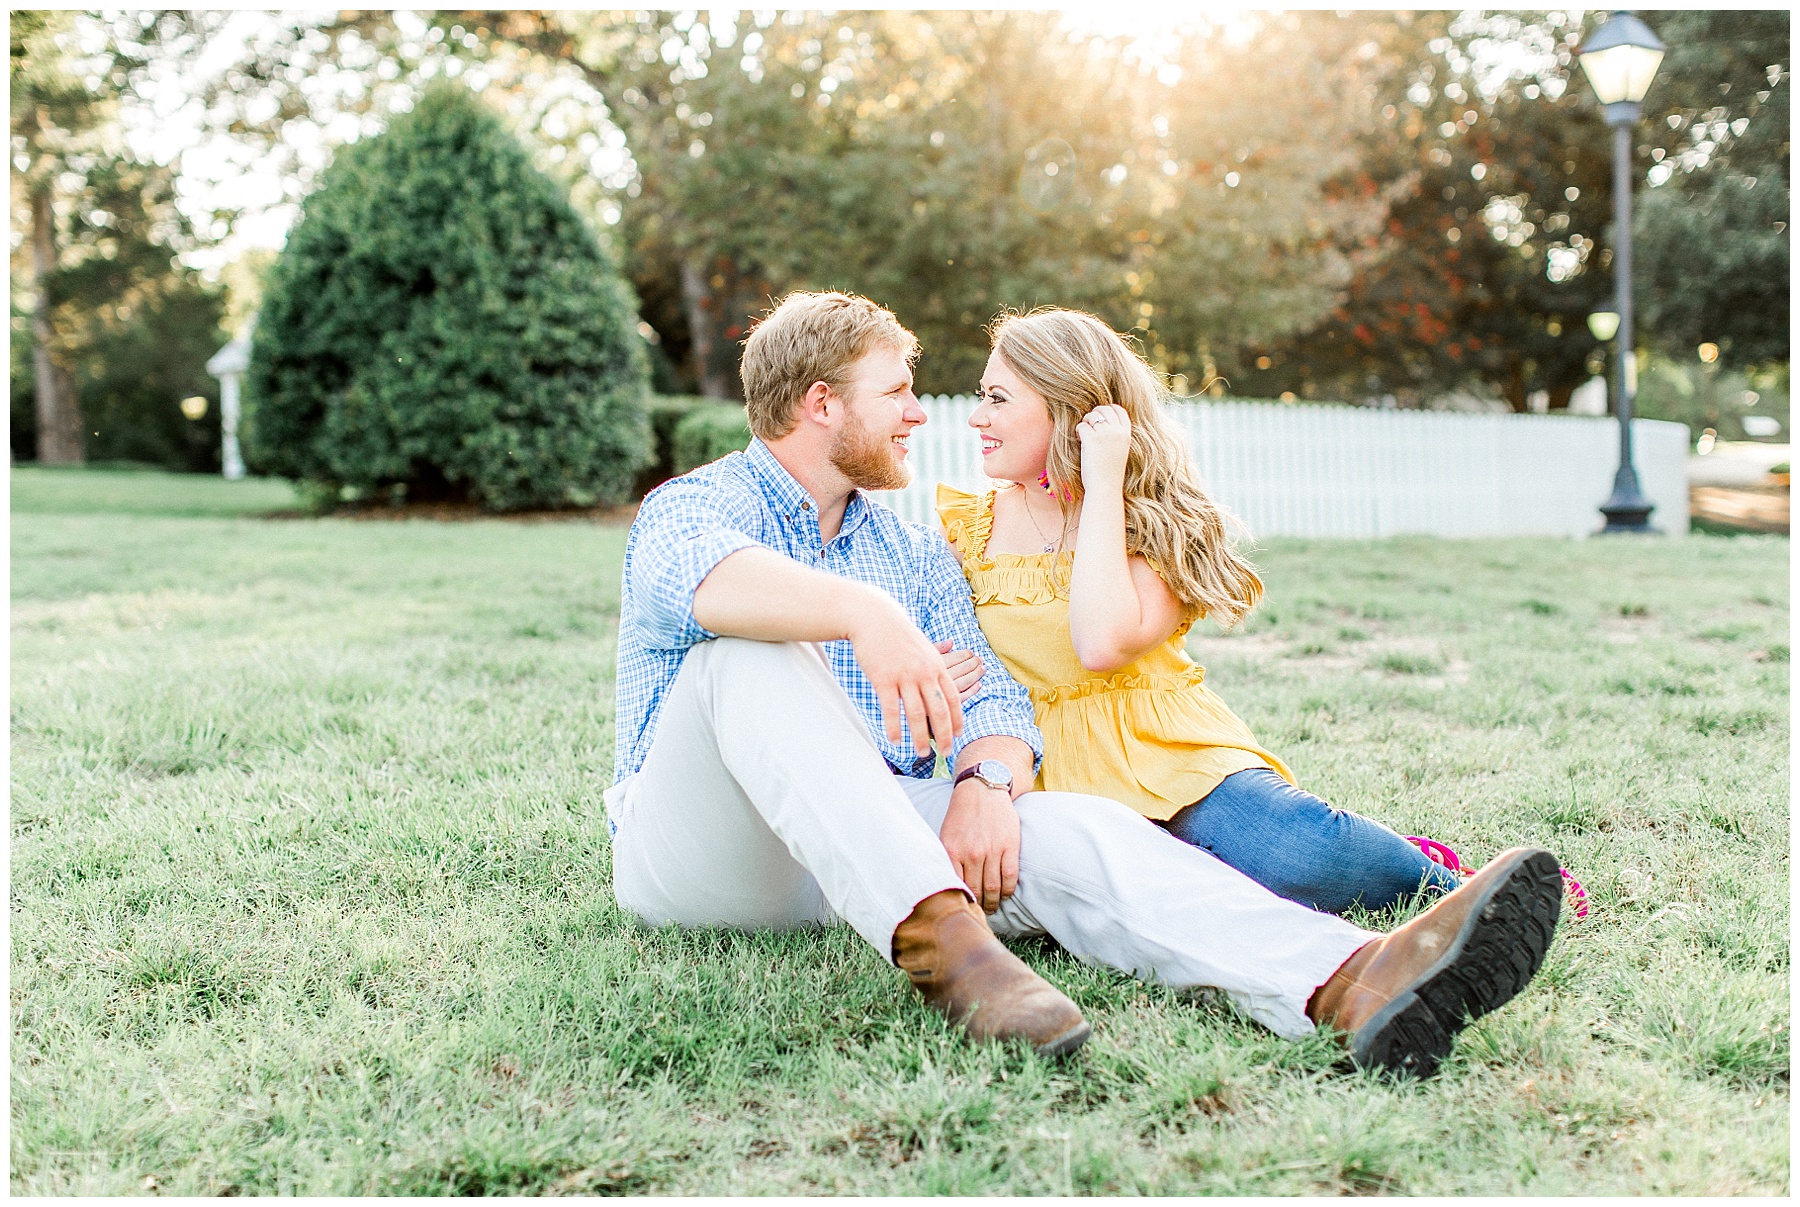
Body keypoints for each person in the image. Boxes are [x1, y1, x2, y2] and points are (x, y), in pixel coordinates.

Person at [607, 289, 1563, 1077]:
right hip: (704, 859)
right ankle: (951, 948)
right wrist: (863, 616)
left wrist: (986, 781)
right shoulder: (697, 505)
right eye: (898, 392)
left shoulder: (910, 543)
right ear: (821, 404)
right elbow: (711, 583)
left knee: (1076, 824)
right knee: (746, 652)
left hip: (864, 850)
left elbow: (995, 700)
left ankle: (1352, 981)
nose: (919, 413)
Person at [935, 308, 1470, 916]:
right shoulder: (966, 527)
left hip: (1162, 753)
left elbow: (1101, 644)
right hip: (1033, 765)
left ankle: (1448, 885)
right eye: (983, 397)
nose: (977, 417)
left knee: (1300, 854)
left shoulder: (1160, 519)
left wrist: (1102, 483)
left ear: (1067, 407)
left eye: (998, 399)